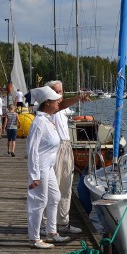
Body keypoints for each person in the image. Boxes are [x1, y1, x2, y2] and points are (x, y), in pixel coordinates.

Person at [42, 80, 90, 235]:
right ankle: (45, 225)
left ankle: (63, 222)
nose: (59, 94)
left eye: (61, 91)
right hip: (55, 148)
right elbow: (61, 105)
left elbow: (64, 106)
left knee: (66, 186)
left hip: (66, 146)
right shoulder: (50, 107)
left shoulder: (62, 109)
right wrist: (77, 98)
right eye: (56, 91)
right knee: (52, 187)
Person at [26, 86, 69, 249]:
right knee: (39, 201)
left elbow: (63, 106)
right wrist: (34, 175)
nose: (59, 102)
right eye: (56, 100)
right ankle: (34, 238)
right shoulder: (39, 123)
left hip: (49, 167)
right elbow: (31, 149)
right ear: (47, 103)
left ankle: (51, 232)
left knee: (55, 196)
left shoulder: (48, 120)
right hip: (40, 168)